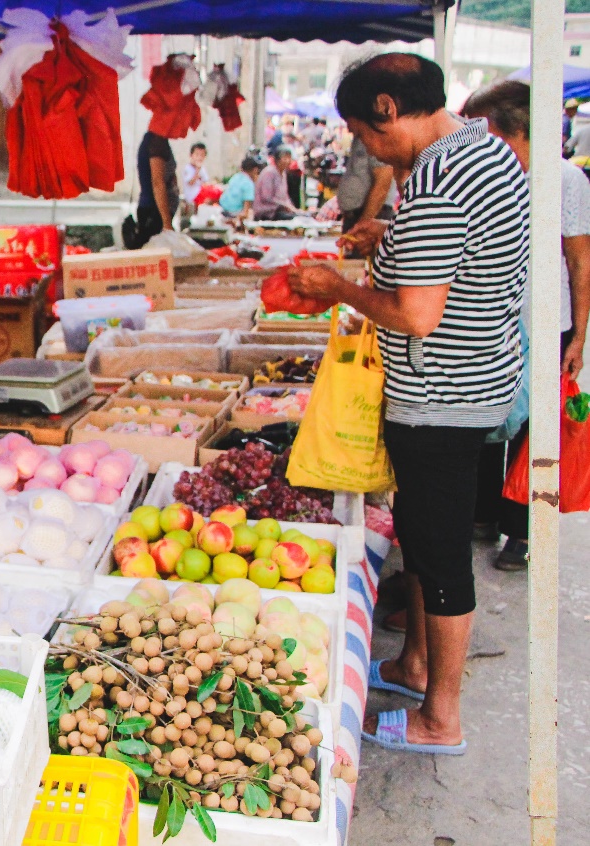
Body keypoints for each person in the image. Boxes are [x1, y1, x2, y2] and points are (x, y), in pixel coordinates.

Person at [288, 53, 528, 755]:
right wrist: (387, 238)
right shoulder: (479, 150)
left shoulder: (438, 178)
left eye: (365, 131)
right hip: (475, 381)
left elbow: (415, 313)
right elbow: (457, 254)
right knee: (424, 541)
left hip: (442, 396)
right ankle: (414, 665)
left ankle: (439, 718)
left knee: (441, 552)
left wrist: (339, 288)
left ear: (389, 107)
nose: (365, 146)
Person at [461, 80, 590, 570]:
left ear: (516, 131)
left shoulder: (564, 180)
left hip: (546, 321)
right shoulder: (486, 178)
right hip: (494, 319)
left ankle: (522, 529)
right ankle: (483, 513)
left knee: (537, 432)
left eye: (485, 131)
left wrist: (579, 334)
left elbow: (580, 260)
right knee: (488, 415)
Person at [122, 129, 179, 249]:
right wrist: (166, 223)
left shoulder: (158, 140)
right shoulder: (156, 142)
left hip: (155, 212)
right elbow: (157, 182)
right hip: (153, 212)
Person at [336, 136, 397, 234]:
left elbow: (383, 182)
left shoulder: (376, 138)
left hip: (373, 216)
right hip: (358, 217)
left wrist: (364, 223)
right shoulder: (361, 138)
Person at [253, 146, 299, 220]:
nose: (288, 161)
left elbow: (285, 196)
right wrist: (284, 206)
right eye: (285, 158)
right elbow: (266, 197)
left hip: (279, 211)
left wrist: (292, 207)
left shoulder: (283, 173)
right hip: (266, 213)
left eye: (289, 158)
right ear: (277, 160)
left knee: (302, 217)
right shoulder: (269, 173)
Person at [180, 142, 210, 214]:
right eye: (197, 155)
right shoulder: (187, 168)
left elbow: (205, 182)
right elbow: (190, 182)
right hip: (192, 195)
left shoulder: (202, 168)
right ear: (191, 155)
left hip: (200, 193)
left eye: (202, 155)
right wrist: (197, 171)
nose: (199, 157)